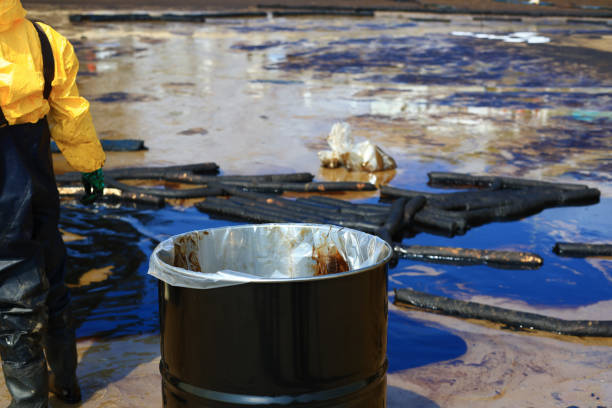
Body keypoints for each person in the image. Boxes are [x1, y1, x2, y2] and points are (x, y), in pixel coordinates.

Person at [0, 0, 105, 406]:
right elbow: (70, 113)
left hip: (5, 190)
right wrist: (90, 165)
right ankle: (66, 386)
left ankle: (29, 403)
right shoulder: (47, 40)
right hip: (37, 172)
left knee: (12, 294)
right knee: (51, 274)